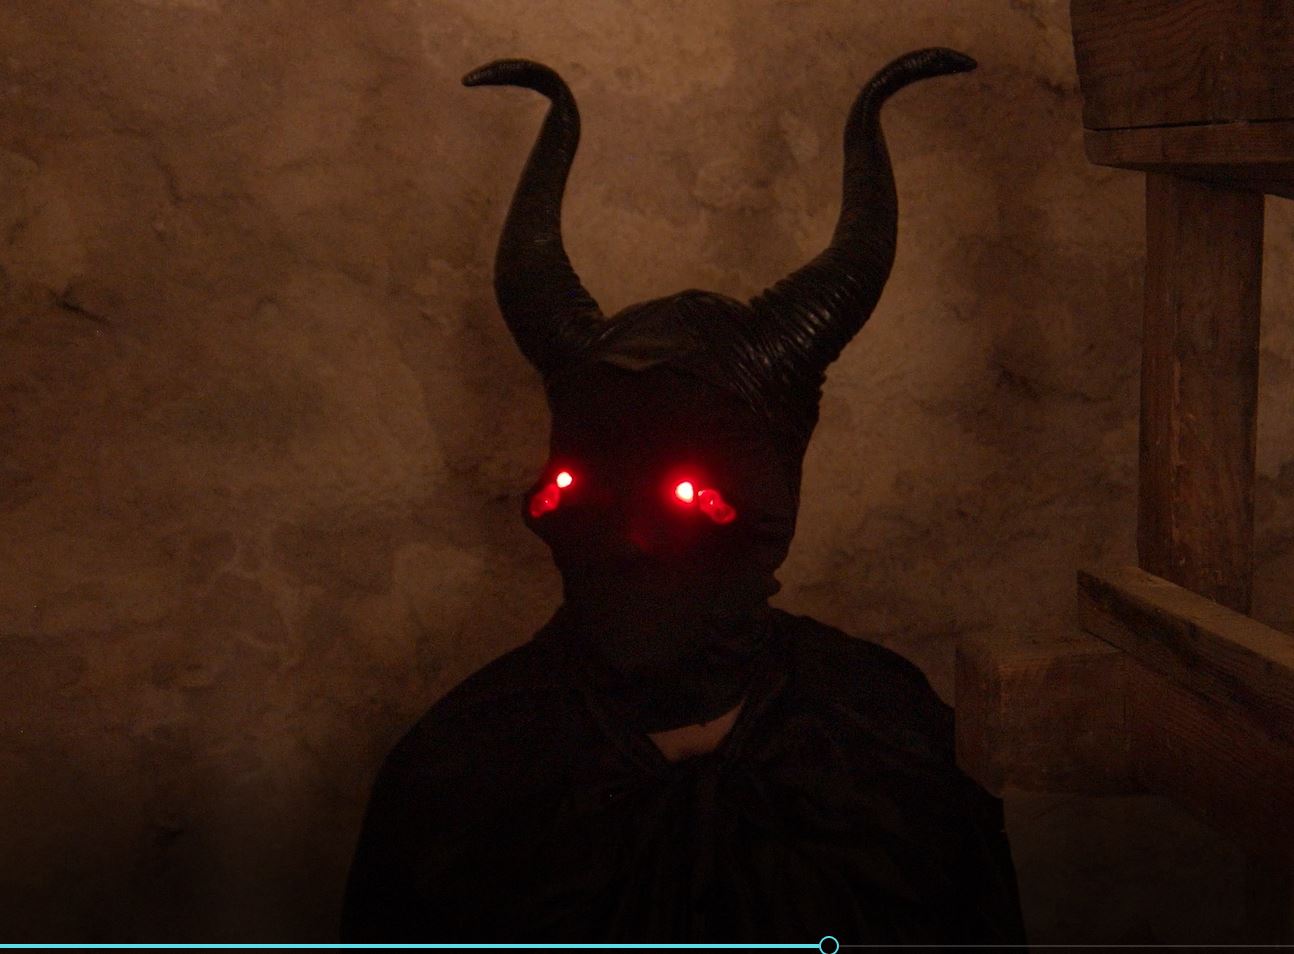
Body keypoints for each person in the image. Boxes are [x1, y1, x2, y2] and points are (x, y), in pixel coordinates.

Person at [341, 48, 1028, 944]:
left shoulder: (891, 748)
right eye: (584, 492)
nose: (631, 542)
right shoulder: (460, 781)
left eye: (686, 501)